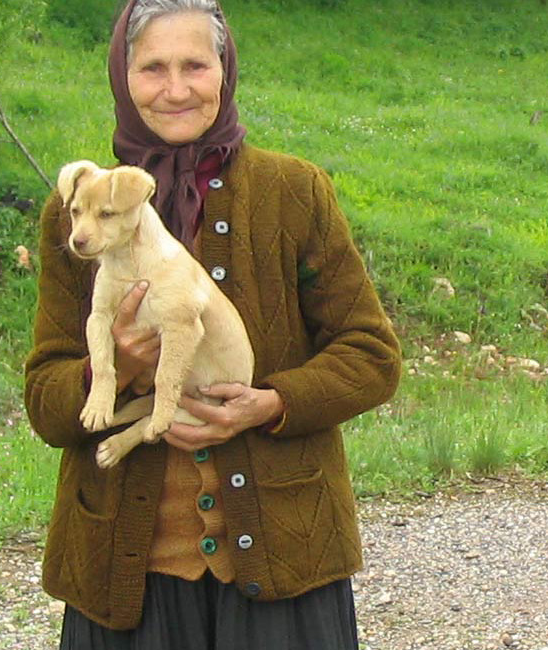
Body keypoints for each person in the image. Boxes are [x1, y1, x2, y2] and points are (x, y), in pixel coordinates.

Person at [21, 0, 401, 647]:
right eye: (153, 68)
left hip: (284, 560)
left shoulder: (294, 192)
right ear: (122, 73)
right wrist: (112, 365)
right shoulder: (77, 216)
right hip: (126, 573)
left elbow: (370, 355)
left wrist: (272, 402)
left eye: (194, 65)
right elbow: (46, 401)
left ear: (224, 71)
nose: (175, 89)